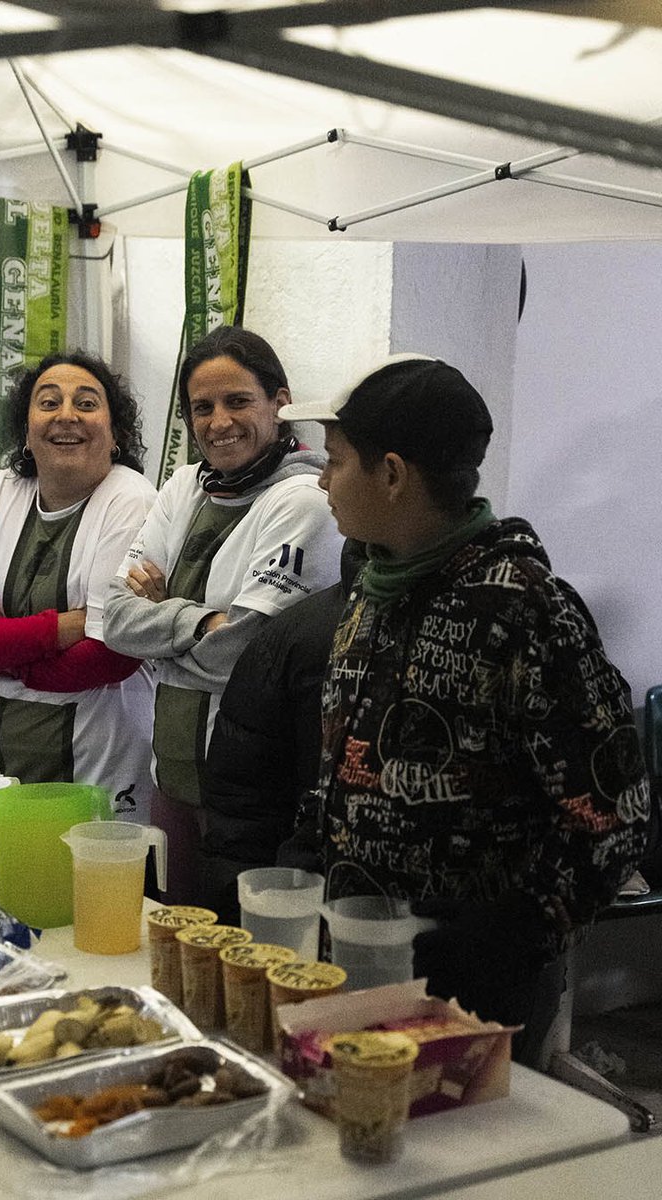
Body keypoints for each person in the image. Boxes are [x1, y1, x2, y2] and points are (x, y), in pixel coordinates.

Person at [276, 352, 650, 1066]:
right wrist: (305, 846)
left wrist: (510, 934)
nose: (322, 480)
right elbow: (347, 755)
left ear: (392, 474)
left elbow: (615, 815)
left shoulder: (525, 610)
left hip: (474, 994)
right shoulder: (373, 593)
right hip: (359, 962)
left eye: (336, 460)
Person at [103, 325, 344, 902]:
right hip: (171, 780)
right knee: (173, 940)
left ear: (280, 403)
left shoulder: (304, 501)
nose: (219, 422)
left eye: (238, 401)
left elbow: (242, 654)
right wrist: (201, 622)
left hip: (251, 795)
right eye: (202, 407)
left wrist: (161, 625)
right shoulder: (185, 485)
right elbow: (112, 619)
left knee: (235, 946)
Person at [0, 351, 158, 821]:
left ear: (116, 434)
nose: (66, 415)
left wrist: (2, 647)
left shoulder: (132, 500)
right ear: (27, 432)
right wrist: (67, 627)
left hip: (100, 776)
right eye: (48, 402)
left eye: (86, 403)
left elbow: (110, 654)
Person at [199, 540, 366, 924]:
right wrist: (248, 925)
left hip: (447, 945)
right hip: (302, 921)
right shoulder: (299, 633)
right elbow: (244, 811)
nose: (331, 509)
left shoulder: (495, 618)